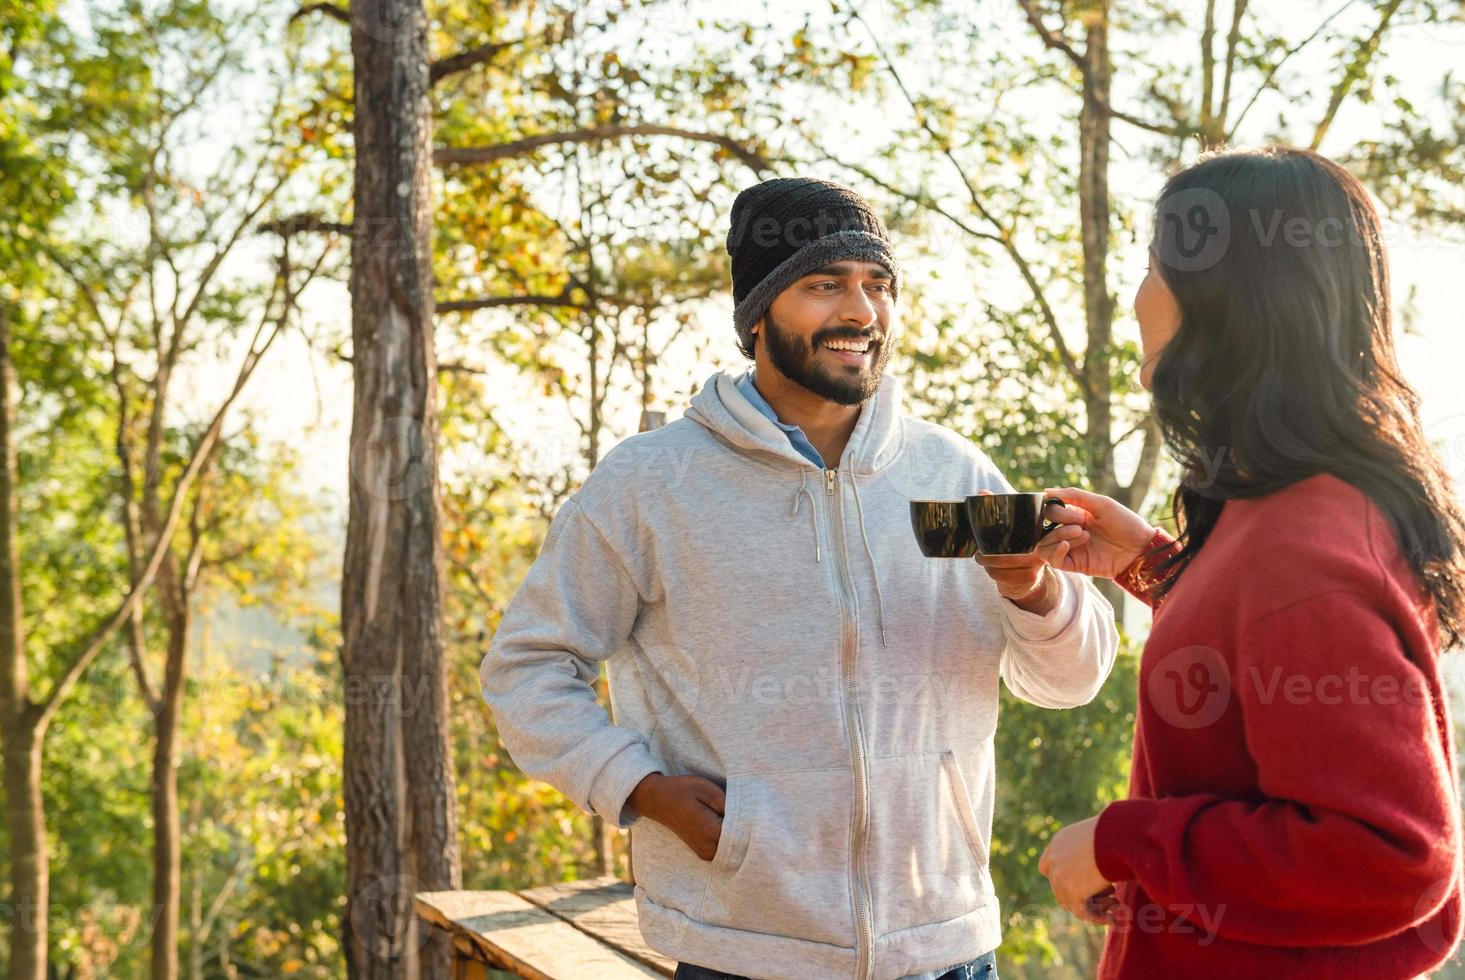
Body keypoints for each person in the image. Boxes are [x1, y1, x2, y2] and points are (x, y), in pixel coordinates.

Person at [479, 177, 1120, 980]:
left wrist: (1034, 592)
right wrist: (638, 787)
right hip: (742, 953)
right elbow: (527, 668)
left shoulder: (948, 470)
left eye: (877, 285)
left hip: (947, 950)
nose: (861, 312)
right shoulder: (652, 484)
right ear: (756, 314)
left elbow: (1072, 679)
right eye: (825, 285)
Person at [1036, 145, 1465, 977]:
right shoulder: (1288, 512)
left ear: (1225, 297)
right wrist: (1157, 571)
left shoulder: (1300, 551)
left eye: (1153, 265)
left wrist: (1124, 844)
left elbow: (1384, 857)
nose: (1137, 296)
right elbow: (1257, 688)